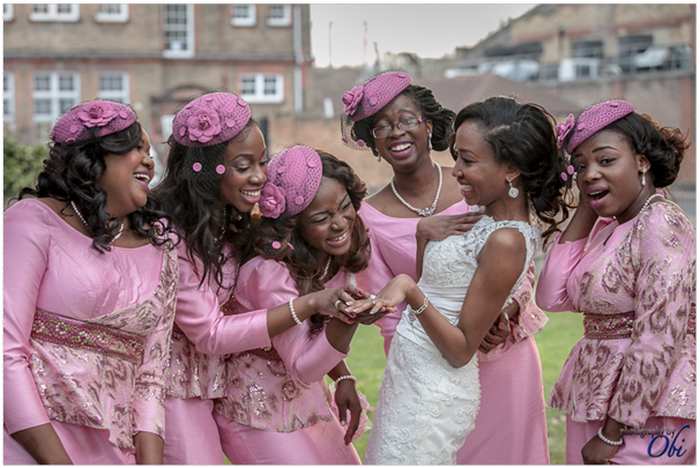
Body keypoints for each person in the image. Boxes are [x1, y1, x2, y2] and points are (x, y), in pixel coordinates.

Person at [342, 71, 550, 463]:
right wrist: (417, 377)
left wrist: (508, 309)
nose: (395, 132)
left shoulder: (477, 182)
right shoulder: (368, 216)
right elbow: (392, 312)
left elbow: (516, 255)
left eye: (405, 119)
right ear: (371, 141)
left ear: (428, 125)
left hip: (502, 356)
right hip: (433, 368)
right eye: (381, 126)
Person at [152, 93, 361, 464]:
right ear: (204, 168)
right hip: (174, 387)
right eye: (244, 165)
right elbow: (211, 333)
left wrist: (341, 374)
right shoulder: (170, 235)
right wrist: (309, 304)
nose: (259, 177)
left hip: (219, 385)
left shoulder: (229, 219)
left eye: (261, 162)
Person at [4, 100, 177, 463]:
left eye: (150, 152)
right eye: (136, 148)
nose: (149, 160)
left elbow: (151, 377)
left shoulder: (162, 247)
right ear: (95, 157)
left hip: (116, 452)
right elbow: (6, 351)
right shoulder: (31, 222)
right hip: (28, 444)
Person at [535, 100, 696, 464]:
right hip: (596, 400)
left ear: (642, 161)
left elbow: (660, 334)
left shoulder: (660, 221)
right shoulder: (609, 227)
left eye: (606, 161)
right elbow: (549, 295)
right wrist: (586, 207)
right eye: (580, 167)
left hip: (647, 414)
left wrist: (613, 431)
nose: (589, 174)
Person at [214, 145, 390, 463]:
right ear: (294, 225)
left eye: (345, 206)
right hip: (255, 411)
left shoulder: (330, 253)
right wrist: (347, 318)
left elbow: (312, 336)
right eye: (322, 218)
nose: (340, 223)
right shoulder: (267, 271)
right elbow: (304, 365)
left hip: (306, 400)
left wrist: (344, 376)